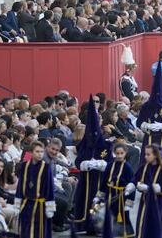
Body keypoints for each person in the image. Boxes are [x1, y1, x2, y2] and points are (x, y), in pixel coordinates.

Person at [73, 97, 110, 234]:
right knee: (84, 200)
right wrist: (84, 164)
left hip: (100, 181)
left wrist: (103, 164)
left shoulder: (106, 145)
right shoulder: (84, 144)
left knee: (99, 202)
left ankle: (98, 225)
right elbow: (77, 162)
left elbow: (111, 161)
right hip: (86, 181)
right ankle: (83, 225)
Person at [15, 141, 56, 238]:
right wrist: (17, 202)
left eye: (42, 152)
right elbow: (20, 185)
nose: (40, 154)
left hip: (40, 205)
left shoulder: (46, 167)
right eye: (37, 151)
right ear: (31, 152)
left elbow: (49, 188)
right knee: (25, 229)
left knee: (39, 231)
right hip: (26, 203)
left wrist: (50, 207)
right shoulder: (24, 166)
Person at [94, 143, 135, 238]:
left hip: (122, 197)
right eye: (117, 153)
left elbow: (132, 185)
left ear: (125, 153)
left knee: (124, 217)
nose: (119, 155)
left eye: (122, 153)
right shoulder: (109, 165)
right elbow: (104, 182)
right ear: (114, 153)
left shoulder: (128, 167)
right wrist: (98, 196)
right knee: (110, 215)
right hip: (110, 195)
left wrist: (129, 203)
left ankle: (127, 234)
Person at [134, 144, 162, 238]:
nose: (145, 156)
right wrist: (132, 184)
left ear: (155, 155)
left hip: (158, 201)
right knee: (143, 222)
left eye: (148, 154)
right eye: (145, 154)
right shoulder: (144, 167)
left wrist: (148, 188)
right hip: (145, 200)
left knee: (156, 223)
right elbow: (135, 178)